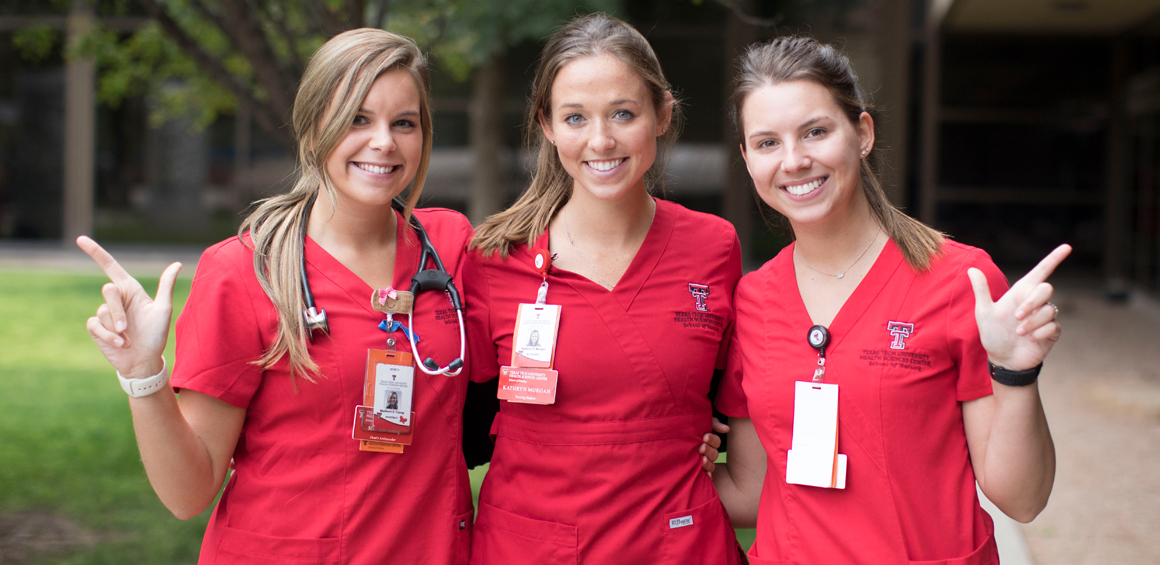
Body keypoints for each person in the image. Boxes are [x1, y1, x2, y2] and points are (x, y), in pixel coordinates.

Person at [79, 29, 476, 565]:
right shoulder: (245, 271)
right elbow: (188, 494)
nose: (384, 141)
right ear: (315, 127)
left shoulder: (450, 249)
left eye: (403, 123)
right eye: (358, 119)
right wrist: (143, 375)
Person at [710, 36, 1067, 564]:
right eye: (766, 143)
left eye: (815, 131)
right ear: (746, 158)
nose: (794, 160)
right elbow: (748, 490)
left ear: (862, 133)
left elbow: (1023, 498)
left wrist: (1015, 373)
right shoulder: (753, 298)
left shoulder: (958, 280)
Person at [463, 13, 742, 564]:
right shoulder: (494, 258)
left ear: (662, 115)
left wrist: (707, 439)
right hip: (531, 547)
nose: (600, 140)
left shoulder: (714, 247)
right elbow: (461, 427)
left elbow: (729, 399)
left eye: (623, 113)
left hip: (678, 542)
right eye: (575, 117)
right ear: (546, 124)